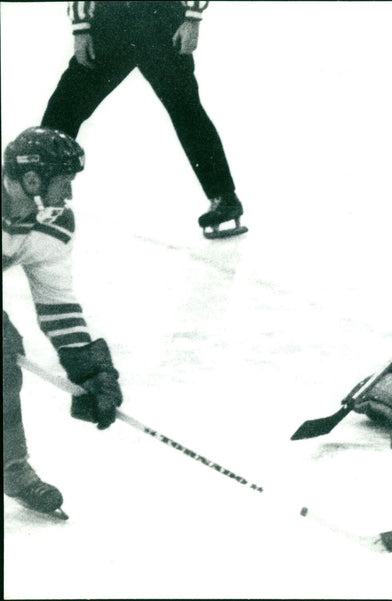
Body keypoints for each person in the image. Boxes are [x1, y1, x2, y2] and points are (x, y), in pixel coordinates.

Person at [40, 1, 246, 239]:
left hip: (160, 21)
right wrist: (81, 27)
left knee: (186, 111)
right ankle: (36, 193)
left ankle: (225, 198)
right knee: (65, 108)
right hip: (110, 21)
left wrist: (192, 17)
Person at [3, 127, 124, 520]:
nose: (68, 194)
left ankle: (10, 468)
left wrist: (88, 367)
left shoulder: (52, 225)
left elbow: (57, 303)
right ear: (32, 179)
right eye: (64, 182)